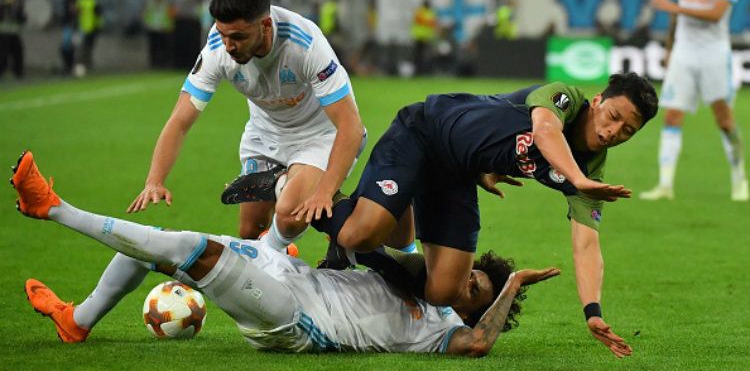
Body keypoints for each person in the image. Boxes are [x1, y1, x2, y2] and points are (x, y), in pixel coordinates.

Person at [11, 151, 560, 355]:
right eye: (473, 279)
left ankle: (53, 208)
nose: (464, 284)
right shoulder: (415, 273)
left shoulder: (445, 330)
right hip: (290, 275)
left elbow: (482, 344)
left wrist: (511, 286)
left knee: (189, 250)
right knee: (155, 248)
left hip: (296, 323)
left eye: (475, 293)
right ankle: (77, 320)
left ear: (474, 309)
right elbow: (391, 238)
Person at [287, 72, 655, 358]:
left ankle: (361, 240)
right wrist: (575, 179)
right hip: (424, 133)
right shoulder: (565, 98)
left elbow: (587, 245)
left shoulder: (591, 175)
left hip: (457, 173)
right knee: (359, 233)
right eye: (613, 116)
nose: (613, 132)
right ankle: (297, 189)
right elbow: (544, 131)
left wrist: (592, 311)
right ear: (596, 101)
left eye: (628, 130)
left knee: (444, 290)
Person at [126, 0, 377, 254]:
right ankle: (280, 246)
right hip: (265, 135)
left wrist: (324, 191)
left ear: (265, 25)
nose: (229, 45)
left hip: (319, 136)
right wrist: (155, 180)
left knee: (290, 214)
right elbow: (180, 121)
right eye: (223, 34)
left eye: (238, 37)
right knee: (250, 231)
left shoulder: (304, 44)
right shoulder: (217, 50)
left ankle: (283, 191)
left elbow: (350, 126)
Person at [642, 0, 748, 202]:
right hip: (683, 52)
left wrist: (676, 8)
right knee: (672, 116)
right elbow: (674, 19)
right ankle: (665, 185)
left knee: (723, 119)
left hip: (714, 53)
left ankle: (740, 179)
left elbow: (715, 14)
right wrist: (669, 49)